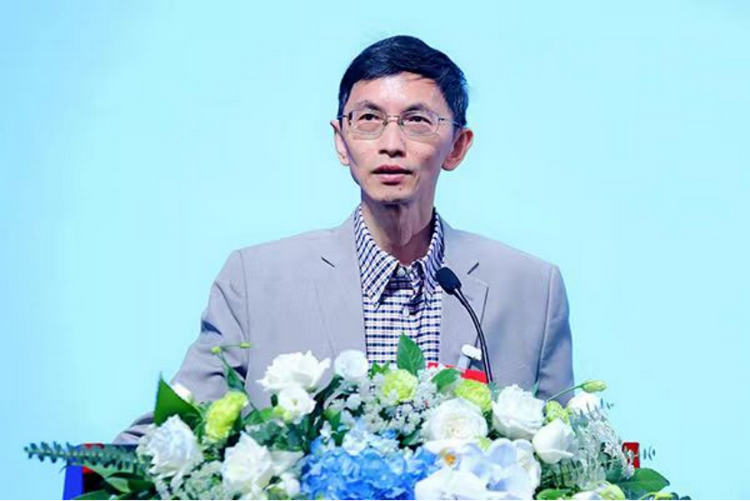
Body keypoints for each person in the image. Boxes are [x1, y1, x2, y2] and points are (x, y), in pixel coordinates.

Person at [115, 35, 573, 444]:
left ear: (457, 146)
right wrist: (95, 478)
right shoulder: (254, 282)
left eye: (416, 120)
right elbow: (170, 436)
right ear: (341, 140)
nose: (391, 143)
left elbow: (570, 460)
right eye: (368, 118)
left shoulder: (532, 289)